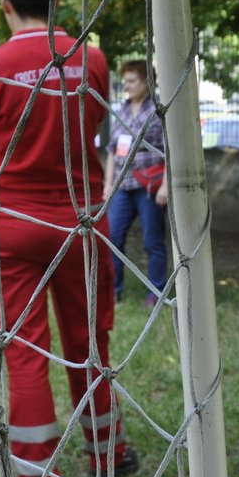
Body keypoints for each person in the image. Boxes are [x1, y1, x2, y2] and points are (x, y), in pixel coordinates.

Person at [0, 0, 137, 477]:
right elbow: (91, 124)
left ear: (5, 6)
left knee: (24, 353)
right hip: (80, 223)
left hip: (13, 225)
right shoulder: (92, 60)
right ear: (57, 1)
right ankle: (108, 456)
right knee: (90, 344)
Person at [102, 59, 168, 306]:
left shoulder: (159, 110)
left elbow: (172, 150)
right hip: (123, 185)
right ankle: (114, 291)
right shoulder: (121, 110)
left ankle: (156, 293)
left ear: (147, 82)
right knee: (113, 237)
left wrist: (166, 186)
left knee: (152, 241)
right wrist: (108, 184)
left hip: (150, 186)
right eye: (125, 81)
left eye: (132, 81)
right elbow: (111, 150)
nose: (126, 86)